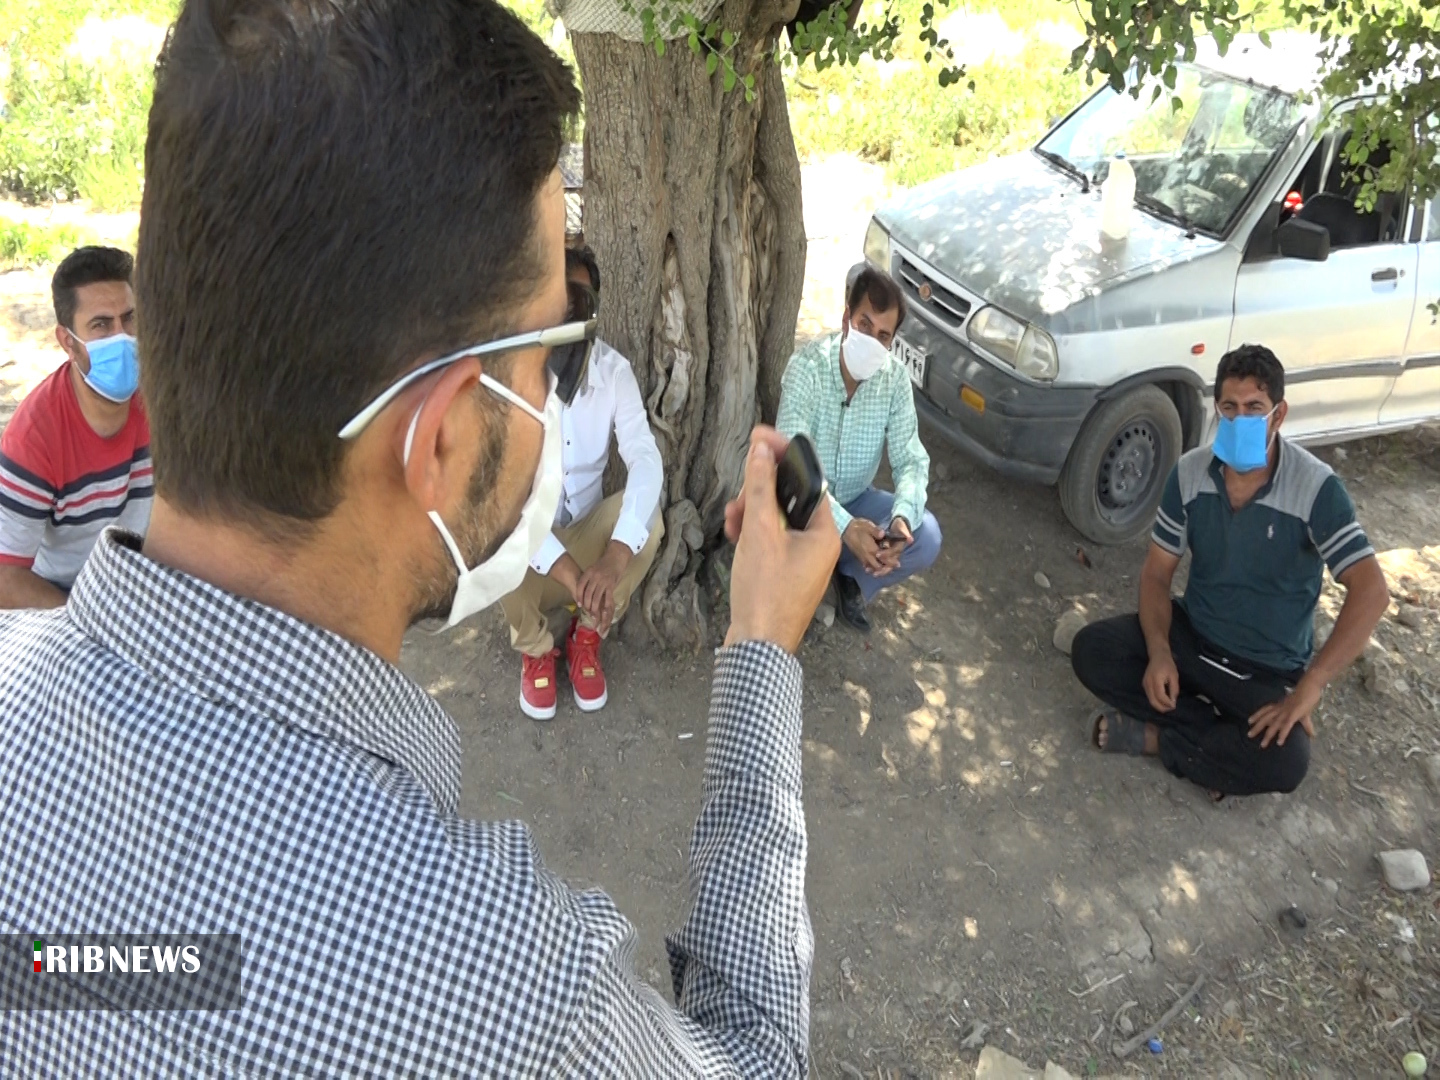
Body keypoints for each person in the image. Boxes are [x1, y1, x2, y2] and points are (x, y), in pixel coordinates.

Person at [0, 0, 839, 1074]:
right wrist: (760, 650)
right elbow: (756, 1059)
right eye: (541, 354)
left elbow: (144, 976)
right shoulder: (504, 991)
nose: (554, 387)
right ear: (439, 441)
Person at [1070, 345, 1389, 798]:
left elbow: (1372, 592)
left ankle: (1162, 739)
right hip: (1194, 640)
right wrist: (1160, 650)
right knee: (1093, 651)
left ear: (1278, 416)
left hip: (1264, 670)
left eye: (1254, 408)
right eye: (1229, 407)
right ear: (1217, 408)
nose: (1240, 419)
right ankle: (1214, 743)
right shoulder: (1190, 474)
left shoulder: (1316, 489)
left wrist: (1312, 684)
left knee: (1288, 761)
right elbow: (1157, 575)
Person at [500, 244, 664, 719]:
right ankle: (535, 648)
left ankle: (587, 632)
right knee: (495, 533)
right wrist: (573, 575)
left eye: (581, 301)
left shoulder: (614, 373)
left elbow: (645, 457)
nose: (570, 312)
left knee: (648, 522)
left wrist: (615, 557)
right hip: (533, 557)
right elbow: (508, 505)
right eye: (559, 299)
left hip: (590, 542)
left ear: (595, 310)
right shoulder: (513, 376)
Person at [776, 263, 942, 632]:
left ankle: (851, 580)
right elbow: (791, 464)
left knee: (925, 536)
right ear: (846, 317)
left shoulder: (895, 381)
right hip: (799, 506)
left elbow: (911, 461)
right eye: (864, 324)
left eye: (883, 335)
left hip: (855, 498)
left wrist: (901, 520)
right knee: (784, 573)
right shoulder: (808, 367)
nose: (872, 339)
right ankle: (827, 563)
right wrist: (844, 526)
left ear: (891, 342)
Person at [0, 246, 150, 608]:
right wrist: (83, 623)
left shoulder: (162, 401)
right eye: (101, 325)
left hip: (143, 582)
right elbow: (6, 577)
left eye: (129, 318)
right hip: (62, 598)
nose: (122, 336)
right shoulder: (34, 437)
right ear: (68, 341)